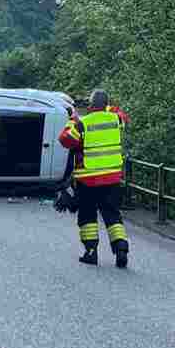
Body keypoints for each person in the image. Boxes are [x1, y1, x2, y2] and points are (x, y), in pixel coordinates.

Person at [58, 89, 130, 268]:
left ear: (90, 105)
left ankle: (91, 252)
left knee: (87, 215)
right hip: (112, 177)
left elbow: (65, 140)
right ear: (106, 104)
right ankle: (121, 248)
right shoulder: (116, 119)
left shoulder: (82, 123)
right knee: (112, 214)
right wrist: (108, 108)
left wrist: (72, 120)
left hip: (88, 179)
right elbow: (121, 114)